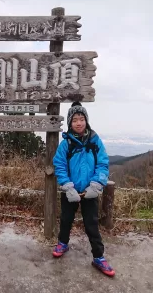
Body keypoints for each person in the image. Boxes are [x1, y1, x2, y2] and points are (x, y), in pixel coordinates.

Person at [52, 101, 115, 277]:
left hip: (90, 191)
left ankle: (99, 257)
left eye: (81, 119)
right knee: (65, 219)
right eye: (75, 120)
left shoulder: (95, 141)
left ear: (86, 121)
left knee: (92, 224)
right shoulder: (66, 144)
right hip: (70, 191)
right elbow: (60, 165)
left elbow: (103, 164)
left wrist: (97, 184)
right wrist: (67, 186)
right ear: (70, 123)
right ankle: (62, 243)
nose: (79, 123)